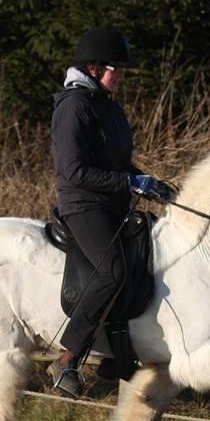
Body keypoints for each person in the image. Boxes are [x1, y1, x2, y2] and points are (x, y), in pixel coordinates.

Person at [48, 28, 164, 398]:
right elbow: (74, 171)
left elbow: (117, 162)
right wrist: (129, 183)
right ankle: (67, 357)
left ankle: (118, 357)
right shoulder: (73, 107)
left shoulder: (108, 107)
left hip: (111, 201)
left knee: (144, 258)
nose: (123, 76)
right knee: (112, 270)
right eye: (118, 69)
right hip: (83, 204)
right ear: (96, 68)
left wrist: (146, 180)